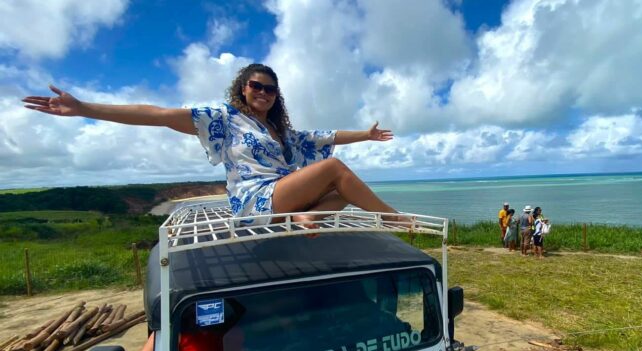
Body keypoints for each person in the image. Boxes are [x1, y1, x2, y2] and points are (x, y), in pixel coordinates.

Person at [21, 64, 406, 227]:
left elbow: (327, 137)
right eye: (257, 86)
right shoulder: (223, 118)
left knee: (343, 188)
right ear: (244, 88)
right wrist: (85, 108)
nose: (264, 93)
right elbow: (156, 113)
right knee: (336, 172)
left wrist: (366, 135)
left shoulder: (281, 132)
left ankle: (309, 219)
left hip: (285, 199)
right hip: (256, 200)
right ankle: (394, 218)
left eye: (271, 89)